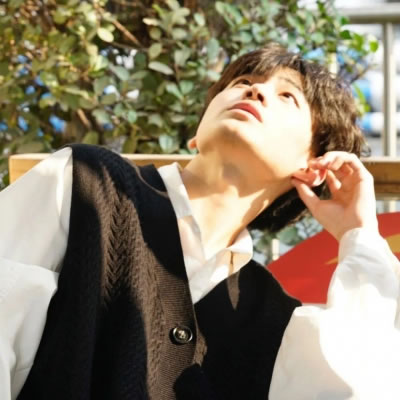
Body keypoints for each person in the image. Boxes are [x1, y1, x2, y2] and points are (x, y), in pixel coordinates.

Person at [0, 43, 399, 400]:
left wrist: (359, 234)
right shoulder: (86, 183)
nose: (255, 91)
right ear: (197, 133)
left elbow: (362, 382)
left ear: (312, 166)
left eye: (287, 96)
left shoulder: (275, 320)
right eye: (243, 82)